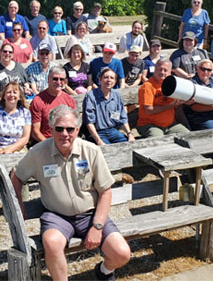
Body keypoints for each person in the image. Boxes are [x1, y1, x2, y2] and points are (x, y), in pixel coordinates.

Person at [11, 105, 131, 281]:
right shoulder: (37, 153)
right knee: (51, 242)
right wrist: (19, 205)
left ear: (77, 130)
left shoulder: (91, 151)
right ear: (51, 130)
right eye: (59, 129)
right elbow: (17, 176)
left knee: (122, 253)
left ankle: (104, 271)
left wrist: (97, 227)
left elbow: (105, 191)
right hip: (56, 216)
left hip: (90, 215)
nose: (64, 134)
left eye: (70, 129)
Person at [136, 59, 191, 137]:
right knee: (160, 142)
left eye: (165, 70)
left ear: (170, 72)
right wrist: (170, 105)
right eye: (160, 69)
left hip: (170, 125)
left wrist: (184, 103)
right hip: (150, 125)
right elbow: (149, 110)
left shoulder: (172, 85)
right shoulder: (147, 86)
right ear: (154, 69)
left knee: (190, 137)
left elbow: (176, 106)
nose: (162, 72)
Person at [83, 68, 134, 145]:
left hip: (112, 131)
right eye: (106, 77)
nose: (109, 80)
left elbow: (122, 117)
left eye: (112, 78)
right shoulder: (90, 96)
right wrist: (98, 141)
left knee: (129, 145)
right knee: (107, 149)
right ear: (100, 79)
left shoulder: (116, 95)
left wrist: (129, 134)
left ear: (115, 81)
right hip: (97, 132)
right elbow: (89, 122)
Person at [0, 82, 32, 154]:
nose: (11, 95)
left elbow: (25, 138)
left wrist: (10, 150)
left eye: (15, 92)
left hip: (17, 149)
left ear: (19, 96)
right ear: (4, 96)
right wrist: (2, 152)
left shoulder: (25, 112)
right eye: (8, 92)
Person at [30, 67, 76, 142]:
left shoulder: (69, 100)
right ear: (48, 80)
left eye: (61, 79)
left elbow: (74, 126)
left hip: (66, 140)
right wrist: (51, 146)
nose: (58, 82)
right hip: (45, 142)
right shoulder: (38, 101)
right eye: (55, 79)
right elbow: (35, 132)